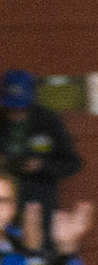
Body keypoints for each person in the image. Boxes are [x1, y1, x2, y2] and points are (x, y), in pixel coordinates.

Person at [0, 70, 82, 220]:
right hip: (4, 206)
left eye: (21, 108)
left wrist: (41, 166)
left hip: (39, 202)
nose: (16, 113)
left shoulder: (47, 122)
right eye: (11, 108)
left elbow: (72, 164)